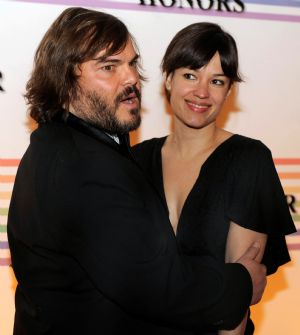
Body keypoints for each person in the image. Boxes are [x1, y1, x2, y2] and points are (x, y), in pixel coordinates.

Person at [7, 8, 267, 335]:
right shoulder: (86, 165)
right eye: (109, 67)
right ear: (65, 80)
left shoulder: (54, 145)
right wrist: (242, 282)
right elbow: (159, 287)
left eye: (132, 63)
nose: (130, 78)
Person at [133, 22, 296, 335]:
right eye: (190, 75)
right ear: (168, 79)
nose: (202, 92)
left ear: (229, 91)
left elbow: (238, 295)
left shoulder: (248, 160)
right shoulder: (137, 161)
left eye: (217, 81)